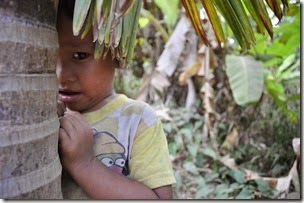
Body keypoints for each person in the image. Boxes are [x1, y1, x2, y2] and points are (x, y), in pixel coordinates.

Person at [55, 0, 176, 199]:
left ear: (116, 52)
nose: (61, 75)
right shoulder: (39, 116)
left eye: (79, 55)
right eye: (50, 56)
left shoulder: (137, 120)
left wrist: (84, 164)